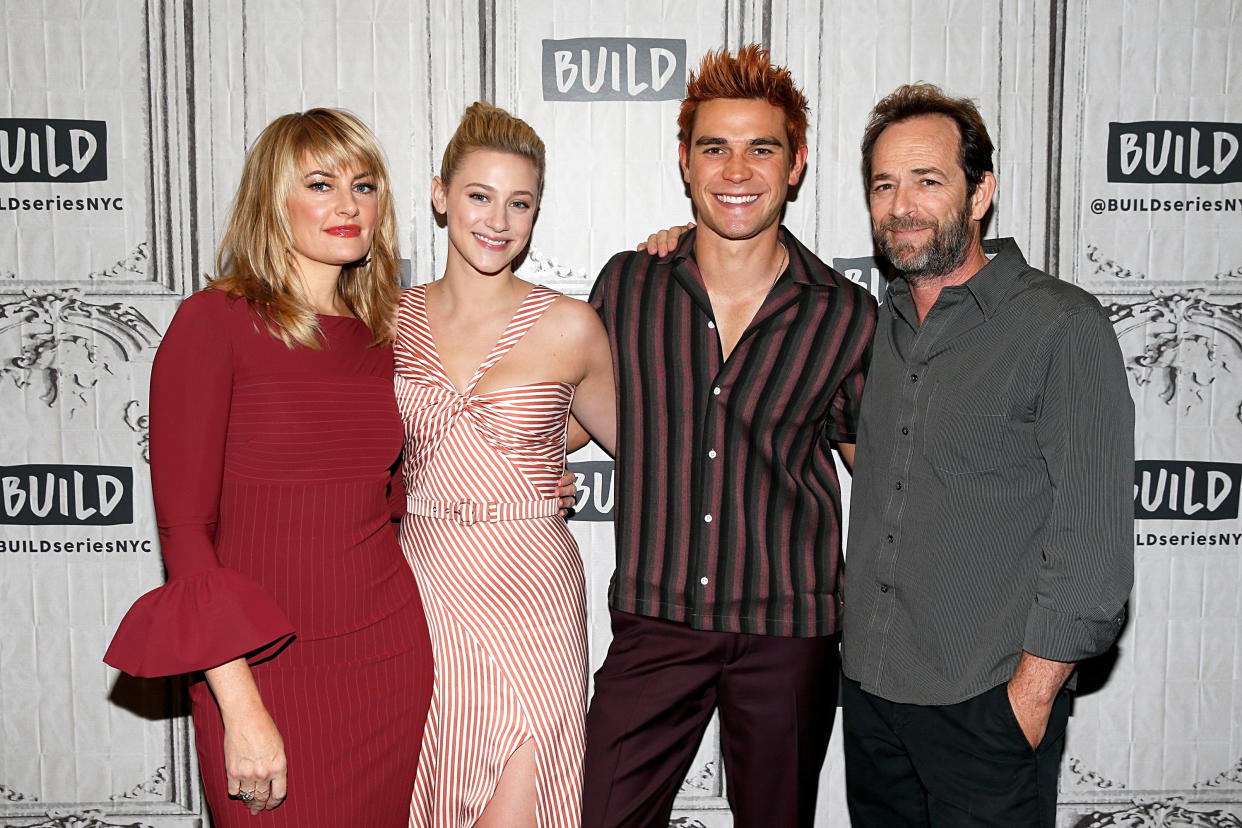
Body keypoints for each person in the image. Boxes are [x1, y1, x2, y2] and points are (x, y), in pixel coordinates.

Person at [104, 108, 434, 826]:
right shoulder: (213, 323)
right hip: (261, 670)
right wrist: (240, 707)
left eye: (365, 185)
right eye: (320, 184)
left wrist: (537, 470)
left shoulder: (383, 336)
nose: (349, 205)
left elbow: (395, 491)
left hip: (386, 654)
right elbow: (187, 535)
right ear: (271, 201)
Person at [583, 46, 877, 828]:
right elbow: (565, 408)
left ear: (797, 163)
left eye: (761, 148)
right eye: (715, 147)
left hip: (790, 631)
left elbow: (876, 469)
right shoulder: (628, 284)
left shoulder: (845, 314)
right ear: (685, 162)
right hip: (656, 618)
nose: (736, 170)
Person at [839, 83, 1134, 827]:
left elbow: (1093, 547)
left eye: (927, 180)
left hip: (987, 703)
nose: (901, 204)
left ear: (980, 194)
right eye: (884, 184)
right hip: (872, 696)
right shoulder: (871, 328)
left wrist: (1028, 700)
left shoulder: (1061, 325)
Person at [394, 102, 616, 828]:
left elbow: (640, 443)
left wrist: (541, 456)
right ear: (440, 196)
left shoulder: (570, 324)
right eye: (479, 196)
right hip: (426, 584)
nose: (498, 220)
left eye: (519, 203)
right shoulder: (384, 319)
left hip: (532, 587)